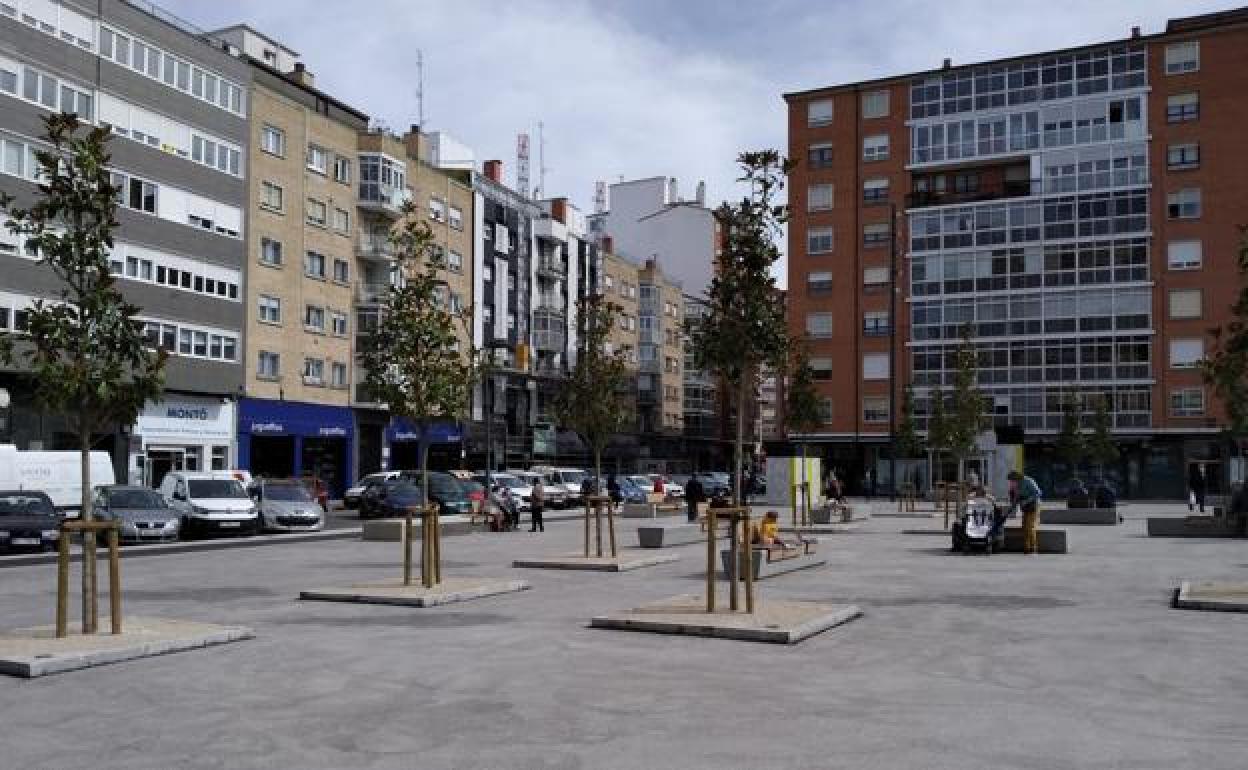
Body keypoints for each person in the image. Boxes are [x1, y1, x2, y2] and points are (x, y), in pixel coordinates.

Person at [1009, 470, 1042, 554]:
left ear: (1017, 478)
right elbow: (1017, 496)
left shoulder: (1028, 481)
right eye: (1010, 481)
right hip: (1025, 507)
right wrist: (1013, 504)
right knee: (1024, 527)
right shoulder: (1016, 485)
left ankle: (1033, 548)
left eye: (1012, 480)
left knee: (1030, 527)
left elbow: (1038, 493)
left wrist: (1027, 501)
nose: (1011, 483)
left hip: (1033, 505)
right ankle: (1026, 548)